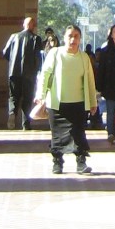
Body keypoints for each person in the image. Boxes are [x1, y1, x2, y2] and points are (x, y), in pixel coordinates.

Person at [38, 24, 97, 175]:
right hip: (57, 104)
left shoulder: (84, 57)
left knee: (79, 134)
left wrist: (92, 102)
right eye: (70, 36)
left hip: (78, 103)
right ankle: (57, 162)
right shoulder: (55, 54)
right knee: (57, 135)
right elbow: (45, 74)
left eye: (76, 36)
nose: (73, 39)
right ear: (64, 38)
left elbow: (90, 80)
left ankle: (81, 163)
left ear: (80, 39)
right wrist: (41, 94)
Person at [1, 15, 43, 130]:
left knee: (13, 96)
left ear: (24, 25)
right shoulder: (36, 39)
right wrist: (38, 70)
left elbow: (5, 52)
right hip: (29, 74)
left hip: (14, 72)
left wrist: (13, 62)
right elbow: (38, 57)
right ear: (33, 26)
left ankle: (12, 113)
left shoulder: (14, 36)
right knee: (27, 98)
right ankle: (26, 124)